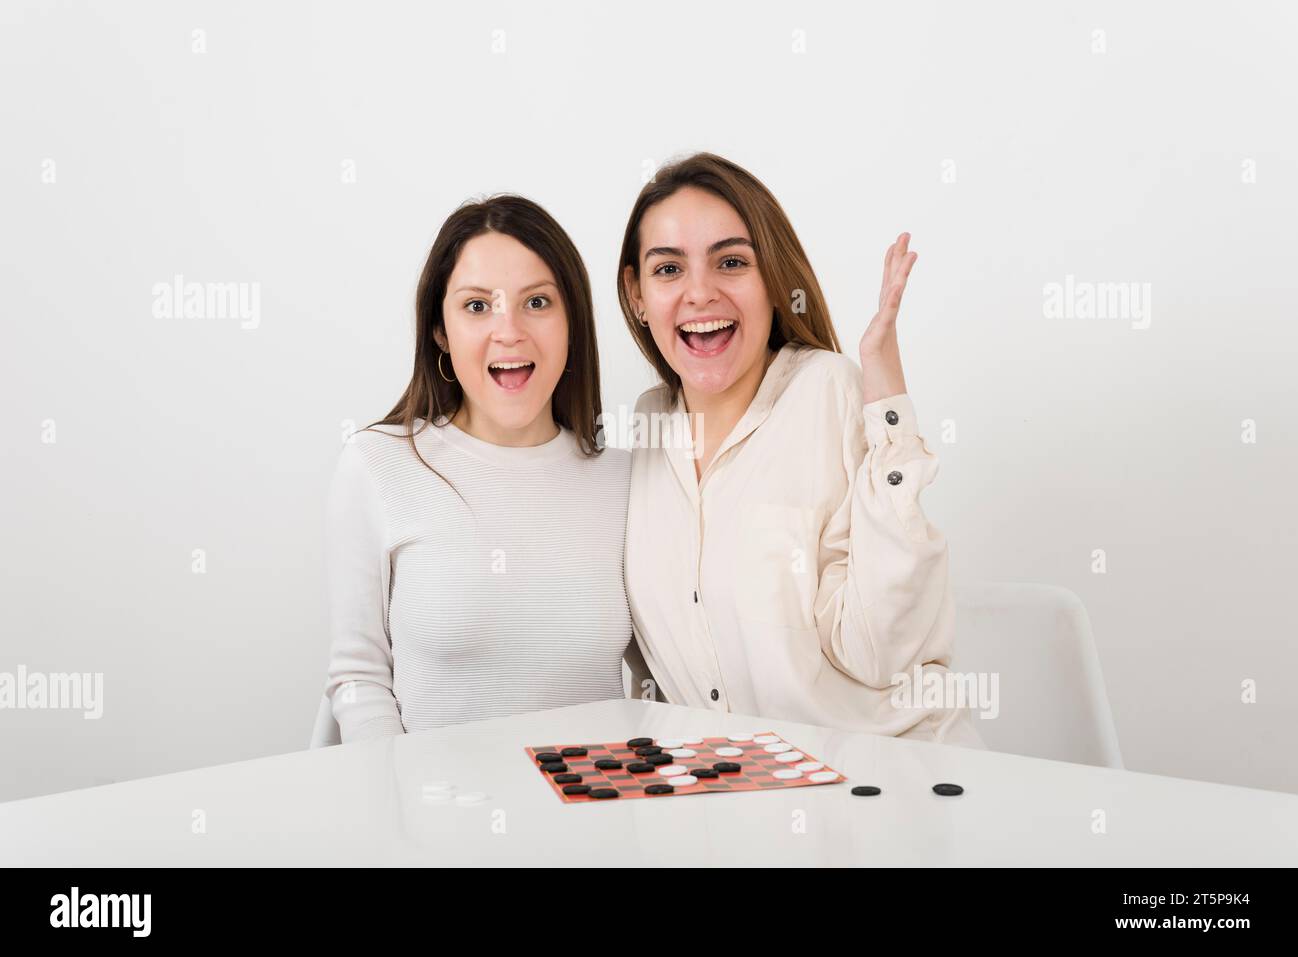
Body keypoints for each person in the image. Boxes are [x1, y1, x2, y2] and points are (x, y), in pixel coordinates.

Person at [618, 153, 984, 747]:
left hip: (889, 779)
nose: (699, 292)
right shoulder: (645, 427)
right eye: (668, 270)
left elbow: (882, 654)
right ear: (636, 294)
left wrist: (886, 397)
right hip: (737, 799)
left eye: (731, 262)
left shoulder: (829, 391)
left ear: (773, 283)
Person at [325, 195, 649, 742]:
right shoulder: (377, 465)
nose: (509, 331)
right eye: (478, 306)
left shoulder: (629, 481)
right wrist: (400, 801)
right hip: (434, 813)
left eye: (538, 303)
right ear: (440, 333)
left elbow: (659, 678)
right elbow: (358, 677)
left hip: (596, 814)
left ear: (573, 323)